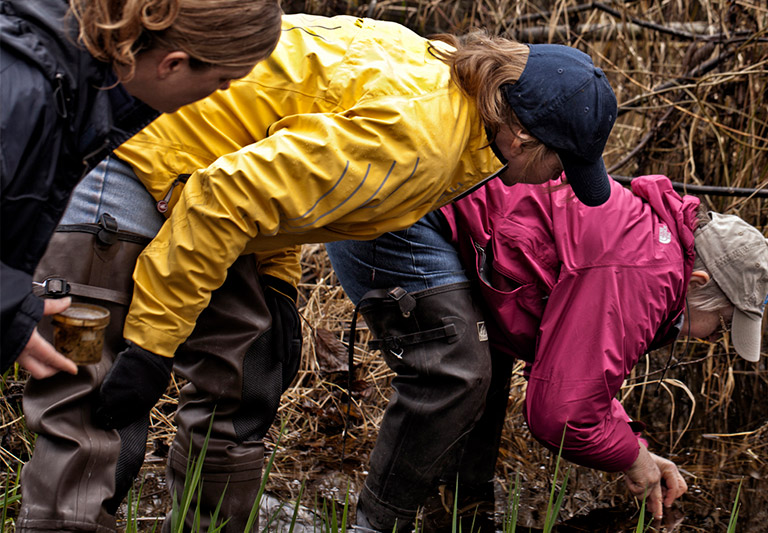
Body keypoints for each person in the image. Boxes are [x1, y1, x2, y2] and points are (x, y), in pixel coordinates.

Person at [20, 13, 619, 532]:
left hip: (202, 193)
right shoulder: (417, 139)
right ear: (521, 135)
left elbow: (276, 152)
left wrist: (277, 283)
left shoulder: (455, 100)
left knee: (250, 372)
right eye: (562, 163)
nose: (559, 179)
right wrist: (152, 349)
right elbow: (225, 195)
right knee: (95, 406)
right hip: (134, 164)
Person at [325, 174, 768, 531]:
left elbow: (576, 374)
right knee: (459, 373)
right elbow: (559, 415)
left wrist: (633, 444)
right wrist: (630, 459)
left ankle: (459, 513)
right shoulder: (645, 272)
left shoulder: (651, 248)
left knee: (487, 352)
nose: (715, 338)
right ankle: (374, 525)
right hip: (396, 213)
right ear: (697, 283)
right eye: (722, 323)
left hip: (418, 208)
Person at [0, 0, 282, 380]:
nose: (225, 91)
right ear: (173, 64)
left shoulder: (77, 85)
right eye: (222, 80)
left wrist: (10, 312)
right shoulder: (23, 93)